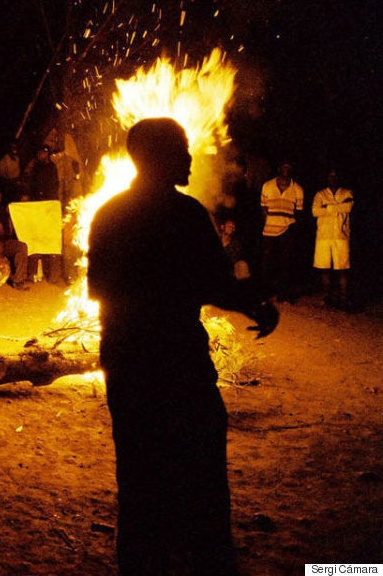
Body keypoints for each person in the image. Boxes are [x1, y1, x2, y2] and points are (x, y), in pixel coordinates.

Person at [88, 118, 278, 575]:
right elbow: (215, 284)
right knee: (201, 468)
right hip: (178, 364)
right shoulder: (186, 214)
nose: (190, 157)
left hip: (126, 362)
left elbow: (97, 288)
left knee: (138, 473)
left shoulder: (108, 214)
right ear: (156, 156)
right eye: (182, 148)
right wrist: (256, 301)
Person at [260, 161, 304, 303]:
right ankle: (265, 293)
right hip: (269, 230)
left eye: (288, 167)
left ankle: (282, 294)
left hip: (287, 229)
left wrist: (289, 224)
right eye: (284, 166)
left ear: (291, 170)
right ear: (279, 168)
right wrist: (271, 220)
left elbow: (299, 211)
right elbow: (263, 207)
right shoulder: (267, 185)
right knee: (267, 262)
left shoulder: (297, 189)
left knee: (285, 262)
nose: (286, 169)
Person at [311, 168, 354, 308]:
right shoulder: (320, 194)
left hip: (341, 236)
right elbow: (315, 211)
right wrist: (338, 206)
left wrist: (326, 207)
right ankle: (327, 296)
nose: (333, 179)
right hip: (323, 236)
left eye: (335, 176)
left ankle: (343, 298)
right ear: (327, 178)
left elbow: (348, 208)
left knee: (342, 269)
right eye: (330, 176)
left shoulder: (347, 192)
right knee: (324, 268)